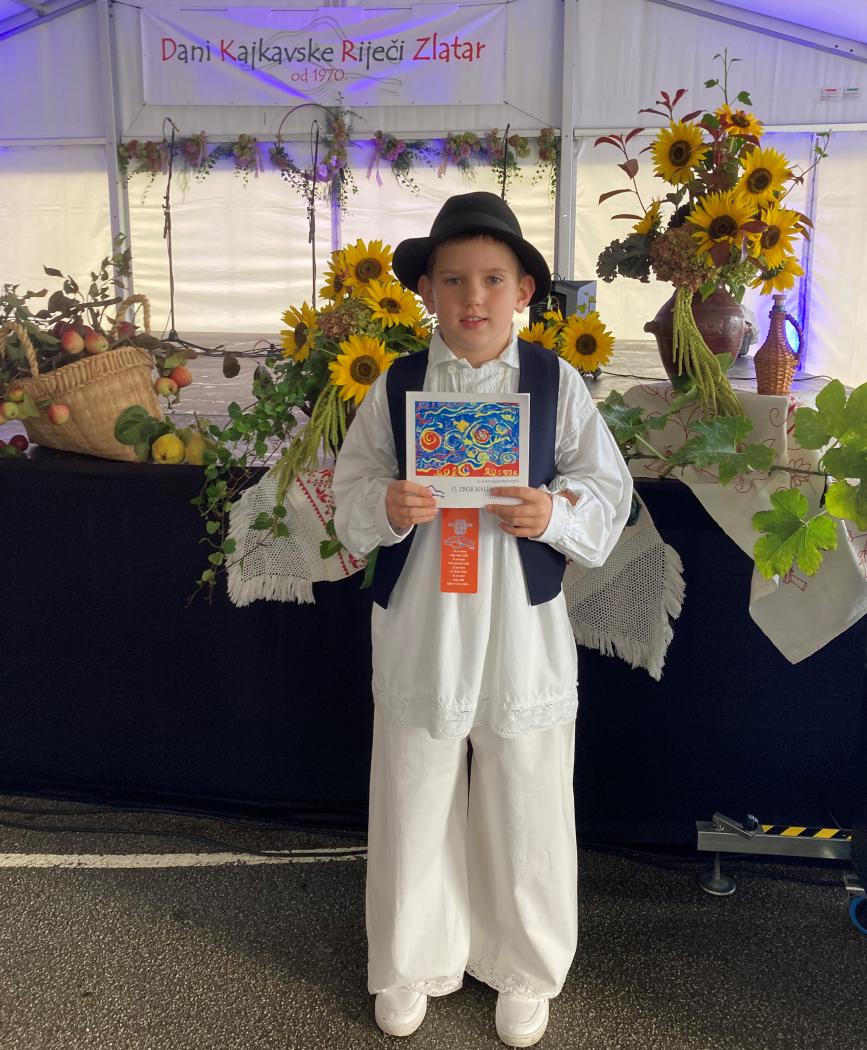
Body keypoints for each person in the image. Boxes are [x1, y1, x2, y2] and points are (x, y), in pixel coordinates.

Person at [332, 191, 632, 1046]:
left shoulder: (554, 381)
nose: (473, 297)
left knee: (526, 785)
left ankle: (523, 966)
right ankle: (409, 960)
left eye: (493, 279)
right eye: (454, 279)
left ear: (524, 291)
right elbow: (352, 486)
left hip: (518, 612)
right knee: (415, 782)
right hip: (425, 612)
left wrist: (555, 512)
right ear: (425, 289)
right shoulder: (397, 385)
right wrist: (385, 504)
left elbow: (605, 486)